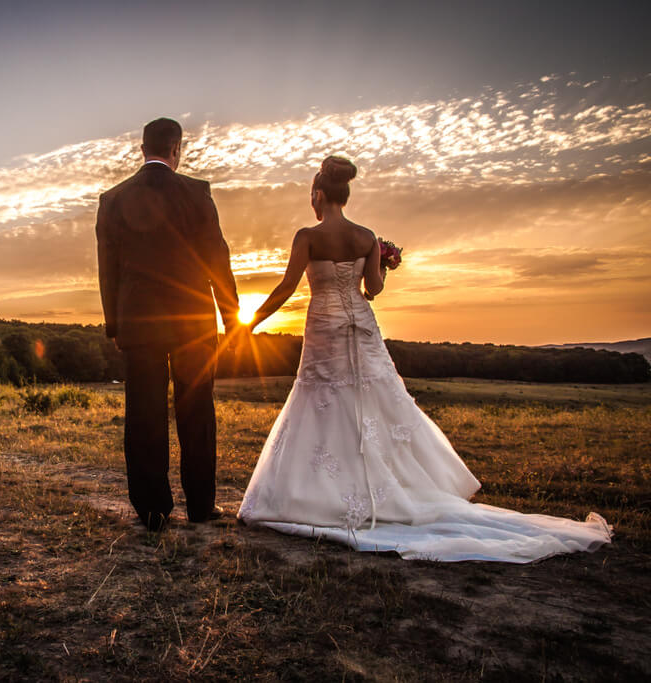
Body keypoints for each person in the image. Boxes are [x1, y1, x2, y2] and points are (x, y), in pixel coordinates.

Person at [236, 155, 612, 562]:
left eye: (312, 194)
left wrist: (250, 323)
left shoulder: (306, 236)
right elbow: (373, 289)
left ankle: (320, 495)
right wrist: (383, 262)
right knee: (373, 401)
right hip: (361, 326)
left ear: (319, 195)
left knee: (321, 401)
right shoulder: (366, 237)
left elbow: (287, 287)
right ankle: (382, 491)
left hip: (325, 328)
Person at [96, 117, 240, 531]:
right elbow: (217, 258)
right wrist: (231, 318)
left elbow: (108, 270)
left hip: (138, 322)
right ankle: (200, 506)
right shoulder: (197, 193)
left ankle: (153, 510)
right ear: (177, 150)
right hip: (193, 320)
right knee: (196, 410)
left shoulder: (113, 199)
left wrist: (114, 324)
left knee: (144, 412)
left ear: (142, 149)